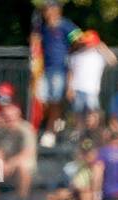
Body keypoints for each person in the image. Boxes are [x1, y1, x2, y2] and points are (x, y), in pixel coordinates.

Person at [30, 1, 78, 147]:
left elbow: (79, 39)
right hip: (45, 69)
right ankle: (56, 121)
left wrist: (71, 52)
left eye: (49, 9)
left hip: (61, 69)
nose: (46, 13)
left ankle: (51, 130)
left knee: (55, 100)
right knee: (40, 98)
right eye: (45, 10)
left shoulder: (66, 25)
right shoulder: (43, 28)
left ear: (57, 10)